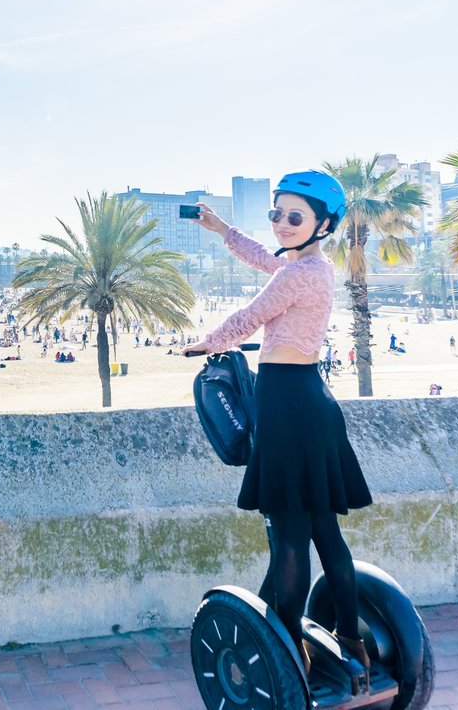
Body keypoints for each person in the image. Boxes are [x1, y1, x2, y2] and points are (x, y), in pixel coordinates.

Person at [184, 170, 372, 692]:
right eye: (276, 215)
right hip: (312, 401)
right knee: (325, 532)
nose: (282, 224)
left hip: (288, 406)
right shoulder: (316, 267)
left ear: (322, 223)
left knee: (290, 539)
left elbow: (250, 316)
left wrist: (205, 344)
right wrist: (224, 231)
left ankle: (290, 650)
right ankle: (352, 641)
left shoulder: (297, 275)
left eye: (295, 217)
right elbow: (268, 264)